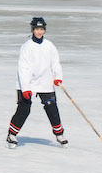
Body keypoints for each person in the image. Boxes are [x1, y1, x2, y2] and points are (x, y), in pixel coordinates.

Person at [6, 17, 68, 148]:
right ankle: (11, 135)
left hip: (45, 81)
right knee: (24, 109)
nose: (39, 32)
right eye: (37, 29)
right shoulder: (27, 47)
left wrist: (58, 77)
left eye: (41, 29)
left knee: (51, 107)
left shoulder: (49, 45)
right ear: (32, 30)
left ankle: (59, 134)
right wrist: (26, 88)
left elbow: (55, 63)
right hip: (27, 82)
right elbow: (23, 68)